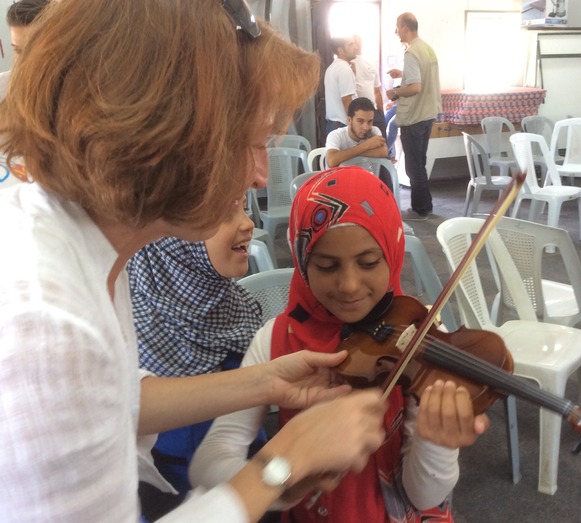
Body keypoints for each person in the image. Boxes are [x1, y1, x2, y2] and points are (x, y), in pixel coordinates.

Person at [0, 1, 387, 522]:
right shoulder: (45, 328)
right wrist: (279, 464)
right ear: (170, 138)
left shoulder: (82, 244)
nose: (257, 176)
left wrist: (264, 381)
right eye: (252, 144)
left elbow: (112, 398)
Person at [190, 168, 490, 523]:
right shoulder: (276, 339)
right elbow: (207, 461)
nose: (348, 285)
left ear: (392, 254)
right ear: (302, 261)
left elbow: (424, 495)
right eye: (327, 265)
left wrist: (437, 443)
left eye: (368, 263)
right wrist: (281, 479)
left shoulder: (415, 338)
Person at [128, 195, 265, 520]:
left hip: (253, 487)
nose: (248, 223)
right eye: (224, 214)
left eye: (244, 208)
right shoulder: (134, 338)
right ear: (171, 239)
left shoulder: (239, 308)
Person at [387, 12, 442, 221]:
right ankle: (425, 204)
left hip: (415, 116)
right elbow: (423, 77)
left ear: (405, 28)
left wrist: (395, 93)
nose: (396, 31)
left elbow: (416, 87)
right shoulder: (426, 49)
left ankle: (421, 208)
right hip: (428, 114)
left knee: (413, 165)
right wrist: (402, 75)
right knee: (420, 161)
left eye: (397, 27)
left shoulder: (411, 52)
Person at [0, 0, 50, 98]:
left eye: (34, 51)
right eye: (18, 50)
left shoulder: (76, 95)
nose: (23, 62)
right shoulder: (3, 88)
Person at [325, 97, 387, 168]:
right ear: (349, 120)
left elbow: (383, 151)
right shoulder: (336, 135)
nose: (366, 127)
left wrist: (348, 155)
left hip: (364, 177)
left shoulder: (374, 131)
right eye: (360, 121)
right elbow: (331, 161)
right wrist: (367, 145)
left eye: (370, 121)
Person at [351, 34, 387, 139]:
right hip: (371, 111)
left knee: (365, 145)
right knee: (379, 143)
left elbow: (376, 90)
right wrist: (381, 112)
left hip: (362, 113)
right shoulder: (370, 62)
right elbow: (377, 90)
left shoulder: (350, 64)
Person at [323, 36, 357, 136]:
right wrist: (354, 124)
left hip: (333, 125)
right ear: (340, 50)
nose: (355, 47)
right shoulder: (344, 69)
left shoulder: (333, 67)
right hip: (343, 126)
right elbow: (346, 99)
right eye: (351, 45)